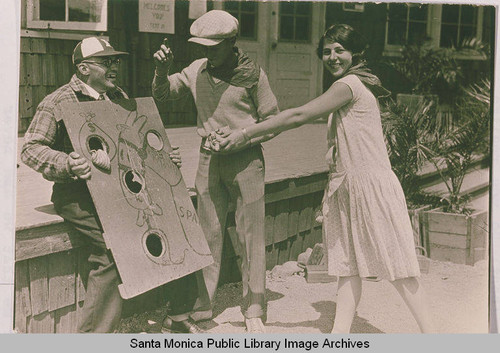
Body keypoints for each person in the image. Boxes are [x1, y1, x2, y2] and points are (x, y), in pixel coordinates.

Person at [219, 24, 434, 333]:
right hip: (349, 187)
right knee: (347, 267)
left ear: (356, 53)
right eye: (327, 51)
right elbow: (336, 152)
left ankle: (433, 337)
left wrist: (244, 133)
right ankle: (339, 335)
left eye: (340, 50)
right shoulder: (351, 87)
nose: (332, 57)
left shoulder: (349, 84)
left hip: (371, 187)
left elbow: (297, 116)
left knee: (398, 267)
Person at [21, 37, 203, 334]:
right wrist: (67, 163)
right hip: (79, 195)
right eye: (105, 62)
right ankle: (94, 338)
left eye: (115, 61)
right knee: (111, 250)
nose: (114, 66)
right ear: (83, 68)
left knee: (176, 225)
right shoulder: (59, 101)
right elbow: (31, 148)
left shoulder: (117, 95)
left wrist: (162, 157)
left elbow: (132, 143)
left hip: (121, 189)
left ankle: (179, 315)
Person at [152, 10, 280, 333]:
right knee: (206, 231)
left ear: (232, 42)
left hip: (246, 160)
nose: (208, 53)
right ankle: (203, 302)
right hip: (208, 158)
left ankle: (253, 307)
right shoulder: (197, 70)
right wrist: (161, 70)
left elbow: (273, 121)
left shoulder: (253, 75)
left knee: (251, 234)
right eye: (204, 46)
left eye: (215, 46)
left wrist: (242, 136)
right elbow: (163, 94)